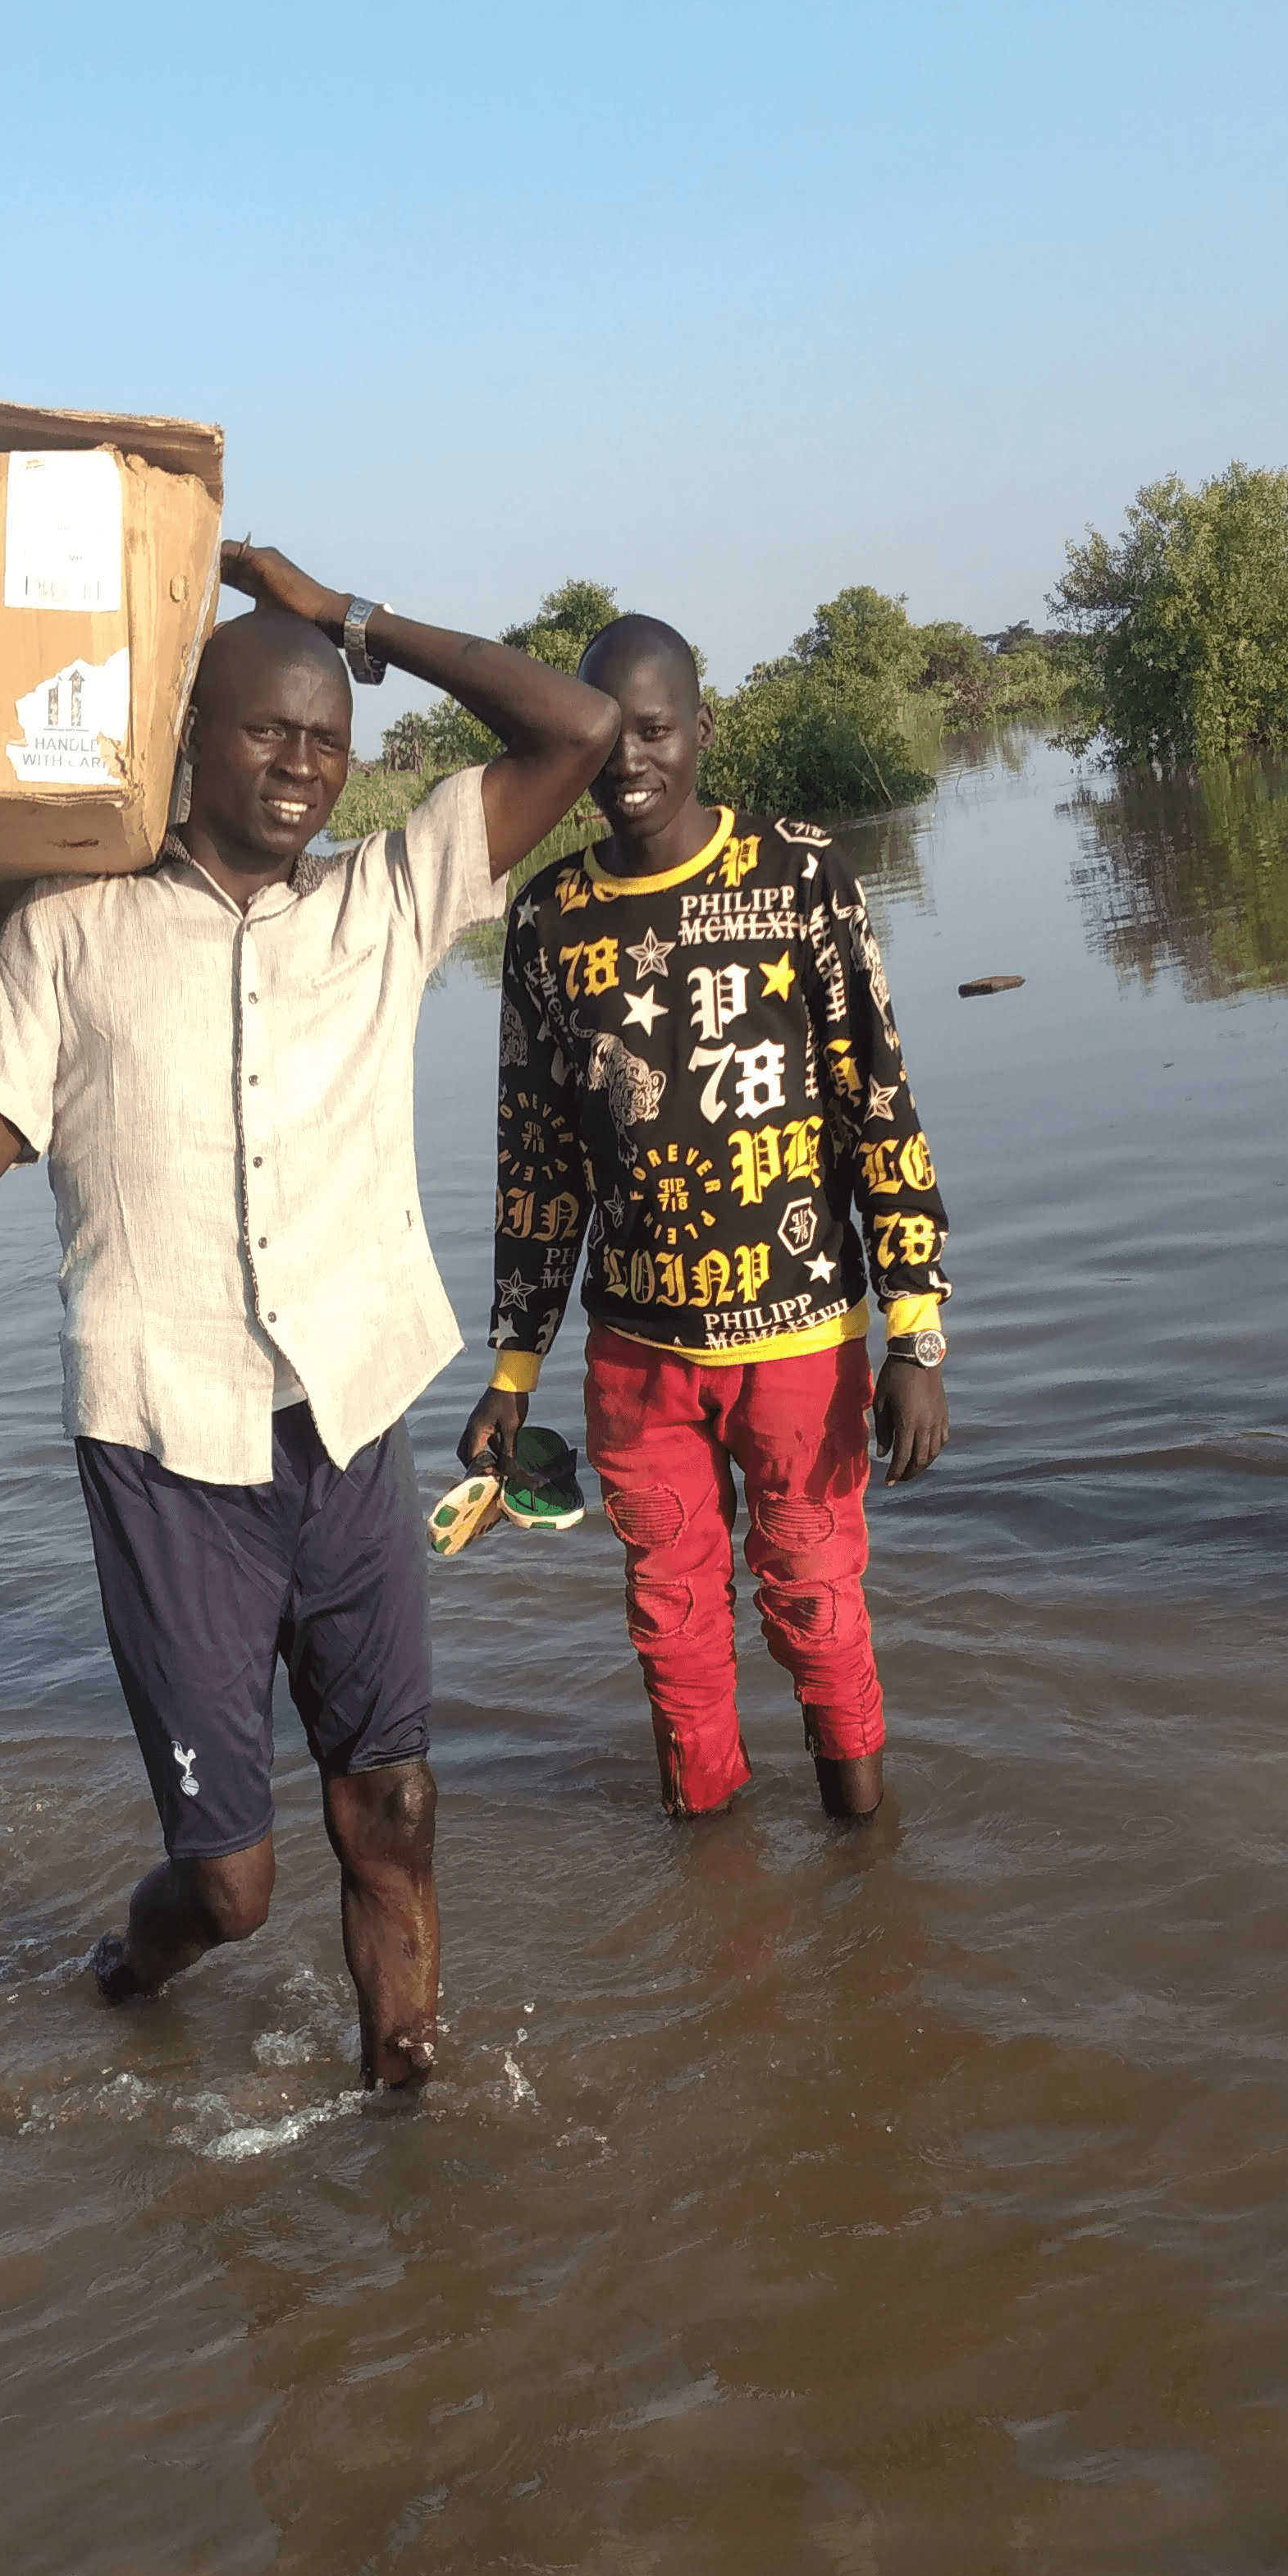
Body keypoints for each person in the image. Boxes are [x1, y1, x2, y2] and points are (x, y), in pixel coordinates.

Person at [0, 546, 619, 2088]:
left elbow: (578, 731)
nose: (304, 766)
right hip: (166, 1451)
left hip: (344, 1420)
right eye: (269, 729)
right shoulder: (70, 933)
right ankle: (133, 1969)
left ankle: (408, 2108)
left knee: (392, 1807)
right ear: (187, 735)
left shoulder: (385, 905)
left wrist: (344, 617)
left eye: (328, 740)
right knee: (236, 1890)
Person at [459, 615, 951, 1821]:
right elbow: (538, 1158)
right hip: (637, 1361)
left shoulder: (800, 875)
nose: (628, 764)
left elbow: (874, 1096)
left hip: (800, 1341)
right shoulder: (549, 920)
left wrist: (917, 1333)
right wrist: (513, 1367)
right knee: (672, 1630)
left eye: (656, 733)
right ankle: (718, 1884)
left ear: (701, 734)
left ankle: (862, 1860)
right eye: (606, 740)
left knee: (817, 1604)